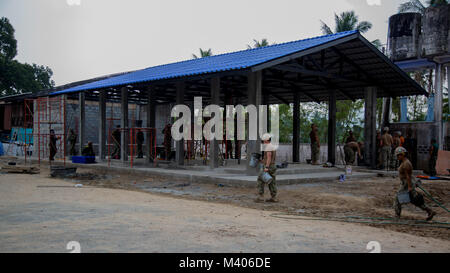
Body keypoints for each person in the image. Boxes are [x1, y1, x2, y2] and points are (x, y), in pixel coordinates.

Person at [393, 147, 436, 221]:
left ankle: (397, 215)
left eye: (398, 155)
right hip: (406, 183)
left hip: (407, 184)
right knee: (414, 200)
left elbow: (408, 176)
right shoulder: (404, 162)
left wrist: (409, 187)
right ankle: (429, 211)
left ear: (402, 154)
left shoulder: (406, 164)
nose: (397, 157)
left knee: (398, 198)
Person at [255, 133, 278, 203]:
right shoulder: (272, 146)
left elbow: (269, 157)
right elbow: (270, 158)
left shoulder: (268, 147)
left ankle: (260, 196)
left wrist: (266, 167)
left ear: (267, 140)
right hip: (273, 165)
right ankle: (274, 197)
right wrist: (262, 161)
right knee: (272, 181)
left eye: (264, 140)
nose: (263, 142)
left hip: (268, 166)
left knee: (260, 179)